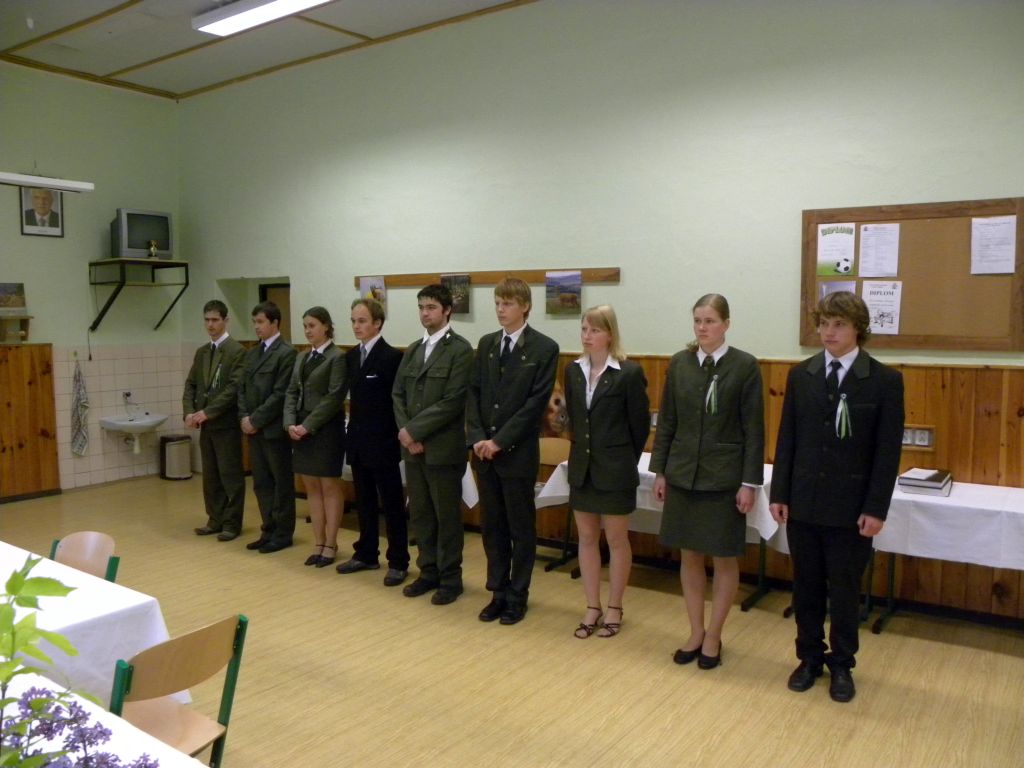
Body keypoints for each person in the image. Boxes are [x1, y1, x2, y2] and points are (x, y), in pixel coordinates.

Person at [769, 291, 904, 703]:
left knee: (844, 590)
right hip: (805, 502)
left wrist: (875, 508)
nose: (829, 332)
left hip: (851, 507)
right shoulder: (802, 375)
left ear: (858, 328)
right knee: (806, 587)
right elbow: (788, 438)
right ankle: (809, 657)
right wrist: (780, 492)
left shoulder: (883, 380)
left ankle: (842, 663)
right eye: (824, 324)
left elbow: (886, 453)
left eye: (839, 324)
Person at [650, 294, 764, 670]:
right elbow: (667, 420)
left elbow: (753, 430)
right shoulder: (680, 363)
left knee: (724, 557)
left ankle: (715, 634)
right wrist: (660, 471)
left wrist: (750, 483)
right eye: (697, 320)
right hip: (683, 473)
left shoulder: (744, 366)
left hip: (724, 478)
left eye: (710, 321)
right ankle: (696, 631)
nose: (702, 328)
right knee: (689, 555)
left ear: (726, 324)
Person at [467, 277, 559, 625]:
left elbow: (534, 405)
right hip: (484, 454)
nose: (500, 310)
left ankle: (518, 595)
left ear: (525, 306)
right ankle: (497, 591)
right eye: (497, 303)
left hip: (516, 454)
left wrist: (500, 441)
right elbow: (474, 393)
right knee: (493, 528)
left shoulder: (543, 348)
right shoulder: (487, 344)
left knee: (520, 528)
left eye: (507, 303)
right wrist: (478, 437)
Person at [564, 305, 649, 638]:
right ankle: (592, 605)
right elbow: (574, 419)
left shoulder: (628, 373)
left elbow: (638, 427)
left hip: (615, 470)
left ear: (610, 334)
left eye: (594, 330)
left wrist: (621, 459)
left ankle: (615, 605)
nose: (587, 336)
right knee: (586, 538)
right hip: (582, 468)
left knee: (615, 539)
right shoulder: (573, 371)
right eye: (584, 329)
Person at [392, 284, 473, 605]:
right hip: (412, 450)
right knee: (422, 515)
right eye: (421, 307)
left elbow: (452, 401)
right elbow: (398, 393)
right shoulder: (414, 349)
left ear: (447, 310)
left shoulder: (460, 350)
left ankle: (450, 578)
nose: (425, 313)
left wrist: (414, 431)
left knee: (446, 517)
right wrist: (405, 432)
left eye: (431, 308)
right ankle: (428, 571)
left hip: (442, 449)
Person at [336, 298, 409, 587]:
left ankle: (398, 560)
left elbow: (396, 402)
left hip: (384, 442)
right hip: (358, 439)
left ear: (377, 323)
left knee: (391, 504)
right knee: (364, 501)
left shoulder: (391, 357)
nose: (356, 326)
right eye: (353, 321)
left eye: (362, 321)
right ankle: (366, 553)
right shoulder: (352, 357)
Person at [284, 307, 349, 568]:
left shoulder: (337, 357)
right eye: (305, 326)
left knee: (329, 486)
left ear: (326, 326)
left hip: (326, 430)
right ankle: (318, 542)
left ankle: (331, 543)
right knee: (311, 486)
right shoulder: (302, 356)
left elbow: (334, 398)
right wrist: (290, 423)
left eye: (312, 325)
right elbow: (291, 391)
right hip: (301, 429)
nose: (308, 331)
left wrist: (308, 426)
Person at [183, 300, 246, 541]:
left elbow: (233, 389)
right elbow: (191, 384)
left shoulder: (236, 351)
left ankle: (232, 523)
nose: (210, 324)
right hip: (206, 425)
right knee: (210, 475)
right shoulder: (202, 352)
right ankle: (215, 518)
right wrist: (189, 411)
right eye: (207, 320)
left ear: (225, 320)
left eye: (215, 320)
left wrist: (208, 411)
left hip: (226, 424)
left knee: (230, 475)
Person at [237, 301, 298, 554]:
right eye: (254, 322)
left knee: (280, 483)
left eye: (261, 322)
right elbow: (242, 388)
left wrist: (255, 419)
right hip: (254, 430)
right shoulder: (252, 353)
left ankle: (283, 533)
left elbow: (281, 393)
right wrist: (244, 417)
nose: (256, 327)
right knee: (261, 483)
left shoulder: (286, 353)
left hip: (273, 430)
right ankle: (268, 528)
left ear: (275, 323)